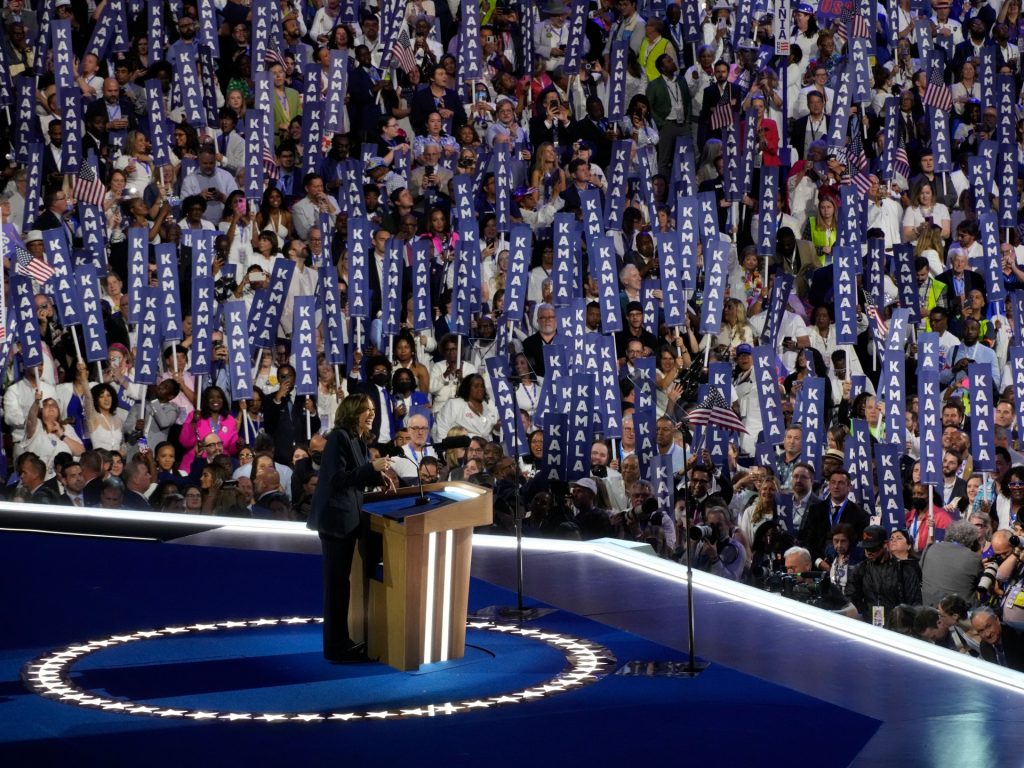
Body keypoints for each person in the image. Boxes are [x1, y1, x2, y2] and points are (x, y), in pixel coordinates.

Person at [308, 394, 396, 663]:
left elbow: (355, 474)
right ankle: (336, 648)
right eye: (365, 410)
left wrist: (375, 475)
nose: (371, 414)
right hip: (336, 522)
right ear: (352, 412)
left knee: (342, 585)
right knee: (336, 587)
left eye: (372, 410)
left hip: (349, 520)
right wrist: (371, 467)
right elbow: (336, 479)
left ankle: (342, 641)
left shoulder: (358, 439)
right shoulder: (338, 437)